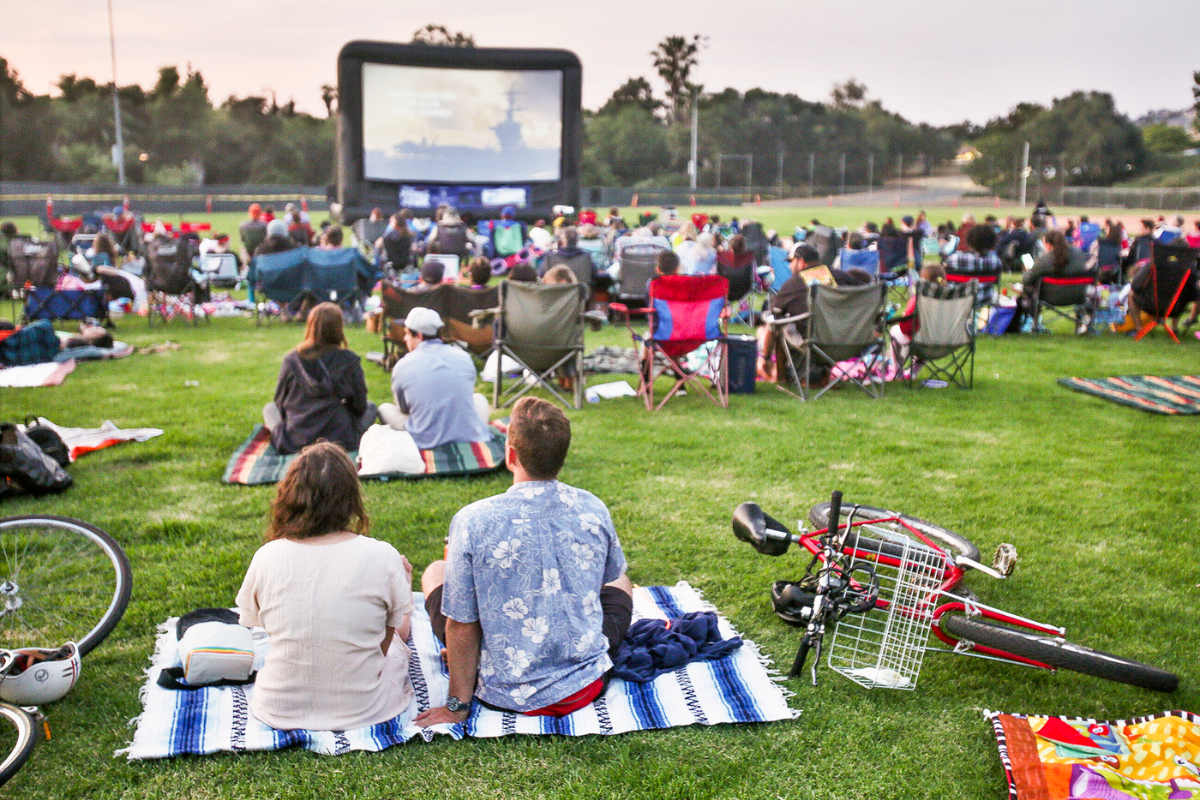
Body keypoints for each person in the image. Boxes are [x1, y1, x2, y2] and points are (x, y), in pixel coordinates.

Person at [415, 397, 632, 726]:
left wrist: (457, 706)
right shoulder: (593, 507)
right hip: (585, 682)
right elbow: (607, 575)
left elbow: (460, 624)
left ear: (511, 454)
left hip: (505, 687)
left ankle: (465, 665)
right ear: (562, 455)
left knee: (435, 572)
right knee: (622, 581)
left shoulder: (473, 520)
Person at [236, 442, 414, 731]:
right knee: (396, 642)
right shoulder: (382, 556)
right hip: (363, 709)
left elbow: (256, 624)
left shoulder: (267, 556)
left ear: (289, 495)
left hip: (277, 707)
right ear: (351, 498)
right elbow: (386, 643)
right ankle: (402, 590)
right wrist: (403, 586)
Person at [263, 303, 376, 455]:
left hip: (295, 440)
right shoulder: (349, 360)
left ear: (310, 326)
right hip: (341, 439)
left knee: (269, 408)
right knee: (371, 407)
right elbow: (360, 405)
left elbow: (279, 402)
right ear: (339, 327)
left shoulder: (292, 359)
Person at [377, 307, 491, 450]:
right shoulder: (464, 357)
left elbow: (404, 408)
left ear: (418, 336)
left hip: (424, 440)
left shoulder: (403, 365)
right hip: (468, 436)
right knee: (479, 399)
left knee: (384, 409)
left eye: (406, 333)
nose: (405, 338)